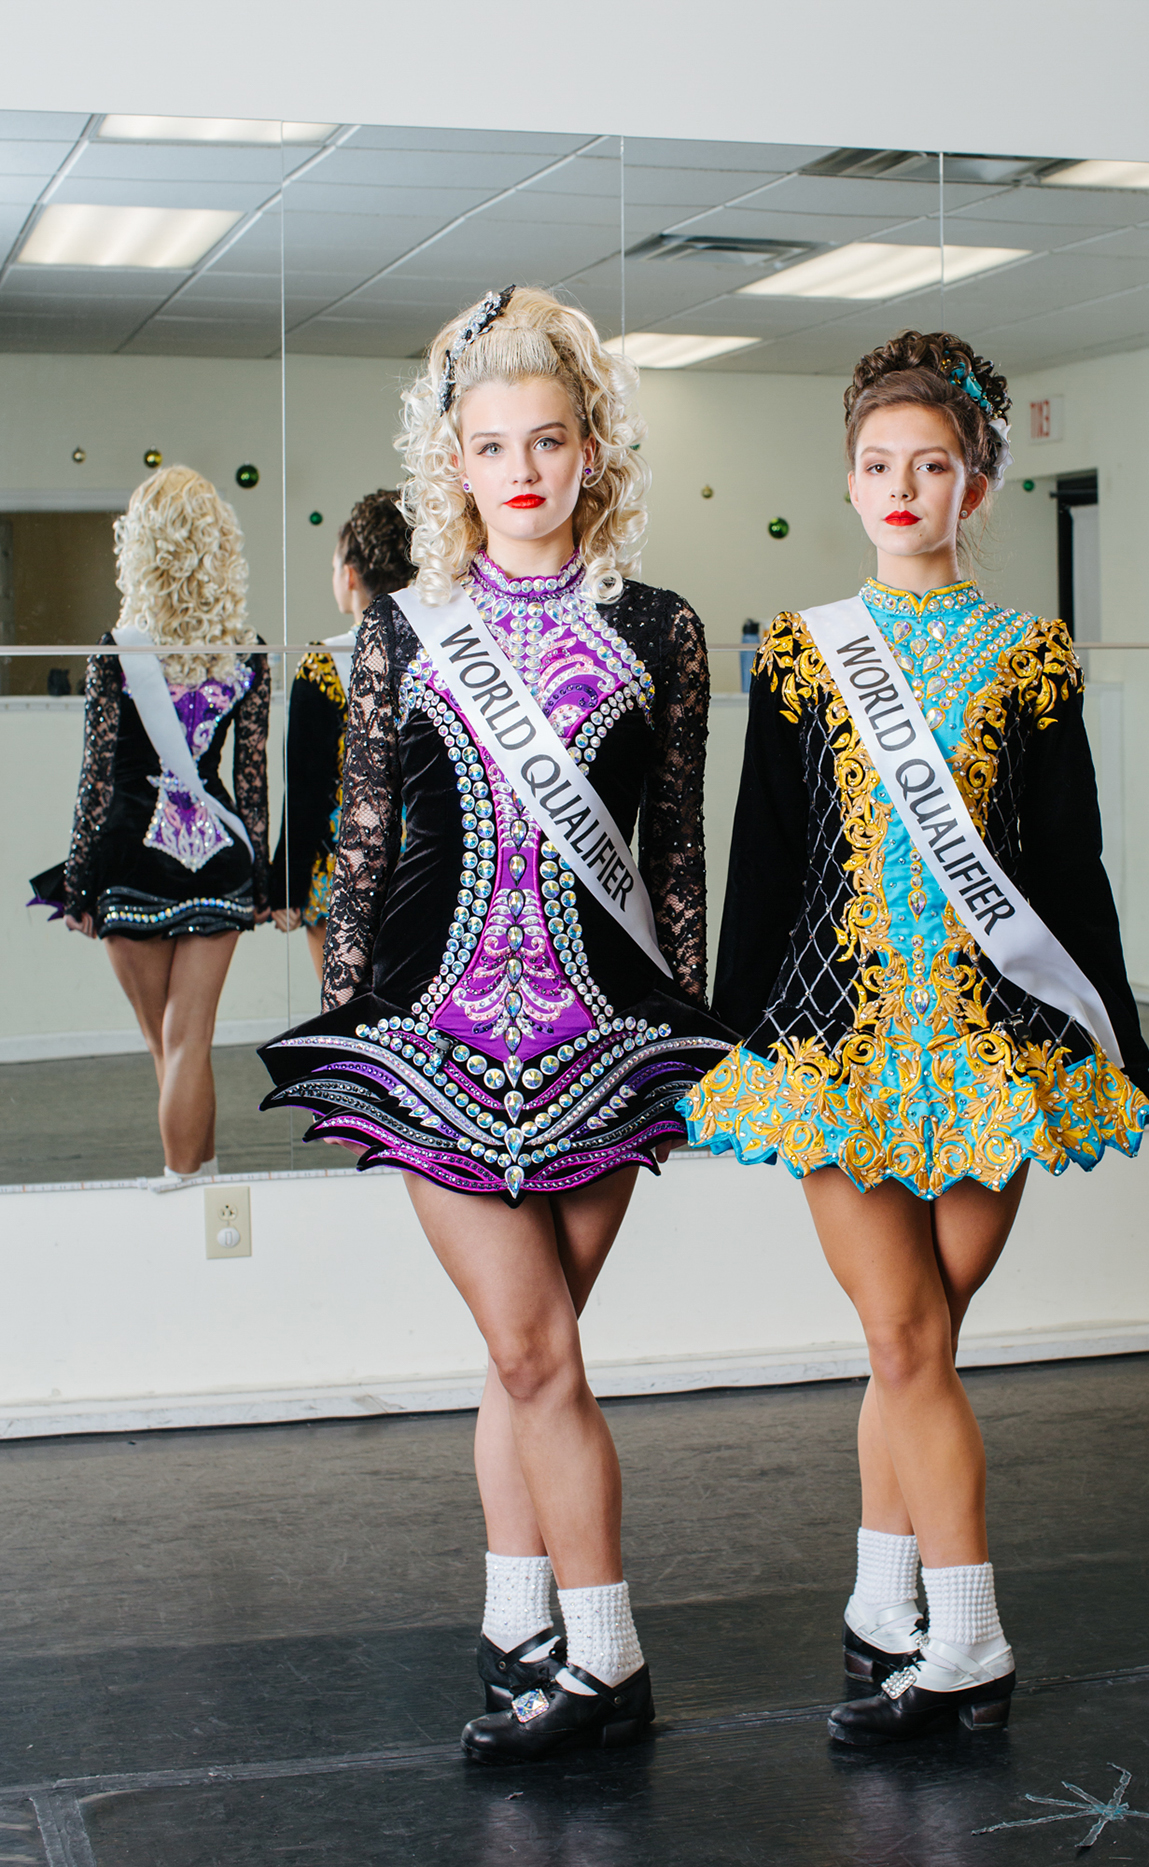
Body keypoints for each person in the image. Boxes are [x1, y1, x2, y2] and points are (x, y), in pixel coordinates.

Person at [260, 286, 729, 1762]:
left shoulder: (665, 628)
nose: (520, 469)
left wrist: (691, 1029)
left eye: (548, 439)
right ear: (451, 464)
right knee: (535, 1353)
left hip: (606, 1041)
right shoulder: (406, 630)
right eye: (489, 445)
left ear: (596, 452)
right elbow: (368, 833)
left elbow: (673, 855)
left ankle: (520, 1622)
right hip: (439, 1042)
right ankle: (606, 1655)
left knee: (527, 1357)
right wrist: (354, 1029)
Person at [682, 330, 1149, 1748]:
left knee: (922, 1342)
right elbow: (761, 859)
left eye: (932, 465)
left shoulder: (1032, 654)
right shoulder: (796, 653)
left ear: (979, 484)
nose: (902, 488)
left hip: (987, 1048)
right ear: (847, 479)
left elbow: (1067, 860)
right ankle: (970, 1636)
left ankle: (879, 1593)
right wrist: (725, 1037)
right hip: (835, 1049)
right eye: (878, 465)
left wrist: (1111, 1034)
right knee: (905, 1333)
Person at [51, 466, 269, 1191]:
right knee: (190, 1042)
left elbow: (97, 778)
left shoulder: (119, 647)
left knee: (164, 1045)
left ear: (140, 547)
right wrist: (261, 875)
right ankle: (203, 1183)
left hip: (131, 858)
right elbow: (251, 778)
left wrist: (76, 882)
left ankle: (185, 1188)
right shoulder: (246, 650)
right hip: (216, 860)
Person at [270, 490, 413, 980]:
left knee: (345, 1023)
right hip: (428, 866)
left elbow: (304, 788)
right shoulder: (448, 654)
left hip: (340, 872)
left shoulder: (323, 663)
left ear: (349, 575)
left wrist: (284, 884)